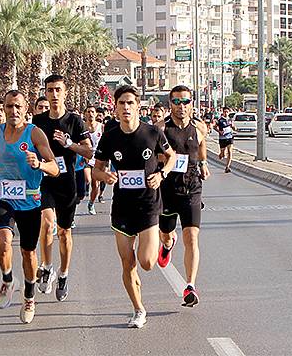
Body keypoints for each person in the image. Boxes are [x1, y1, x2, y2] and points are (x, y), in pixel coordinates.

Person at [92, 85, 176, 328]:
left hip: (148, 204)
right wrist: (105, 176)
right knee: (127, 263)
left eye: (130, 103)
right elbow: (97, 169)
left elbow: (171, 158)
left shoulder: (152, 133)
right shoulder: (109, 137)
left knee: (147, 263)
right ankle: (138, 309)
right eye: (122, 103)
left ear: (138, 106)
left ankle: (166, 241)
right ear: (115, 108)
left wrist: (161, 174)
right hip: (122, 206)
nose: (126, 107)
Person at [0, 90, 59, 323]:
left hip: (29, 201)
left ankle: (28, 297)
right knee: (3, 242)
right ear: (3, 109)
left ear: (26, 110)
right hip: (3, 197)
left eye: (18, 107)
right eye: (9, 107)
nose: (13, 111)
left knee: (28, 252)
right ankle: (7, 279)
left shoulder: (34, 134)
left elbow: (55, 167)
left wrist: (40, 164)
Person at [32, 75, 93, 301]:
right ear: (46, 93)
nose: (54, 94)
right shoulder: (38, 122)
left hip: (67, 183)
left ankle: (64, 274)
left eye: (58, 89)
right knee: (47, 224)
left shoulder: (75, 121)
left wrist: (69, 144)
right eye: (50, 90)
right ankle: (47, 266)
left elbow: (89, 152)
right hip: (45, 180)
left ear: (65, 92)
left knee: (65, 233)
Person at [157, 85, 211, 308]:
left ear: (191, 103)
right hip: (167, 190)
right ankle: (168, 244)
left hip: (192, 188)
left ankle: (190, 285)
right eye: (177, 102)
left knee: (192, 237)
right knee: (166, 234)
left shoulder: (199, 127)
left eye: (185, 101)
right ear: (170, 104)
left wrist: (203, 163)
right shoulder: (160, 129)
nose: (181, 106)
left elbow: (201, 145)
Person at [83, 105, 104, 215]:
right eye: (88, 112)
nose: (90, 114)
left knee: (96, 185)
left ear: (96, 114)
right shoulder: (82, 127)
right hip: (86, 157)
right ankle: (85, 188)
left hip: (98, 159)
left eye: (92, 112)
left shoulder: (101, 127)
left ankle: (91, 203)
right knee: (88, 179)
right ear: (85, 114)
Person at [213, 106, 235, 173]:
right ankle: (221, 154)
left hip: (230, 137)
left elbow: (234, 128)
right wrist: (219, 131)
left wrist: (233, 127)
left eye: (227, 112)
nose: (226, 113)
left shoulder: (230, 120)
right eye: (225, 112)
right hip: (222, 138)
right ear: (223, 112)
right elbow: (214, 127)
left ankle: (227, 167)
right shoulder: (220, 120)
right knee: (223, 155)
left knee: (230, 151)